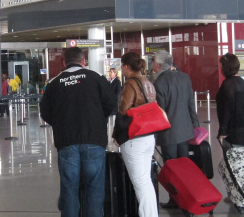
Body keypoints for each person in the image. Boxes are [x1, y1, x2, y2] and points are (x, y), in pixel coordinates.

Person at [40, 47, 116, 217]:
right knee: (94, 186)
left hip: (66, 140)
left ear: (63, 62)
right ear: (84, 61)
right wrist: (96, 120)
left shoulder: (53, 83)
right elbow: (111, 104)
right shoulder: (96, 78)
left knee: (69, 186)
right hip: (94, 139)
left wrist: (61, 124)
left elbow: (45, 112)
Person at [151, 50, 200, 209]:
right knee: (185, 166)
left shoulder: (159, 83)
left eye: (152, 62)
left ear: (158, 65)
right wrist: (195, 125)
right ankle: (188, 197)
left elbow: (161, 112)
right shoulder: (184, 77)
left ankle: (175, 199)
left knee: (171, 167)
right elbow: (191, 104)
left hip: (169, 134)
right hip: (185, 131)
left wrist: (154, 134)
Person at [112, 52, 158, 217]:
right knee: (146, 182)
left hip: (134, 139)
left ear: (125, 66)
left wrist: (117, 135)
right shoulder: (148, 82)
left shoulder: (130, 84)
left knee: (141, 184)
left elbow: (123, 111)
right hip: (148, 137)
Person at [216, 53, 244, 148]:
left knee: (234, 158)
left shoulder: (228, 84)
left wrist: (223, 131)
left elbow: (227, 109)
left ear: (226, 67)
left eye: (222, 66)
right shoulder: (241, 81)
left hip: (235, 129)